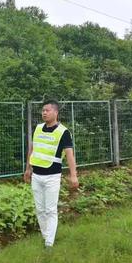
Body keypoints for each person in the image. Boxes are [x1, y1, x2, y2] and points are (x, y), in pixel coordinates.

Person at [24, 100, 79, 249]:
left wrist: (73, 175)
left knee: (50, 210)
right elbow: (33, 149)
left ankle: (49, 243)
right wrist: (28, 169)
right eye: (43, 110)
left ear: (56, 112)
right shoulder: (38, 128)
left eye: (47, 110)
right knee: (40, 210)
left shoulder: (63, 132)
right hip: (37, 175)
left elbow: (69, 155)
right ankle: (46, 236)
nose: (44, 113)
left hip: (52, 177)